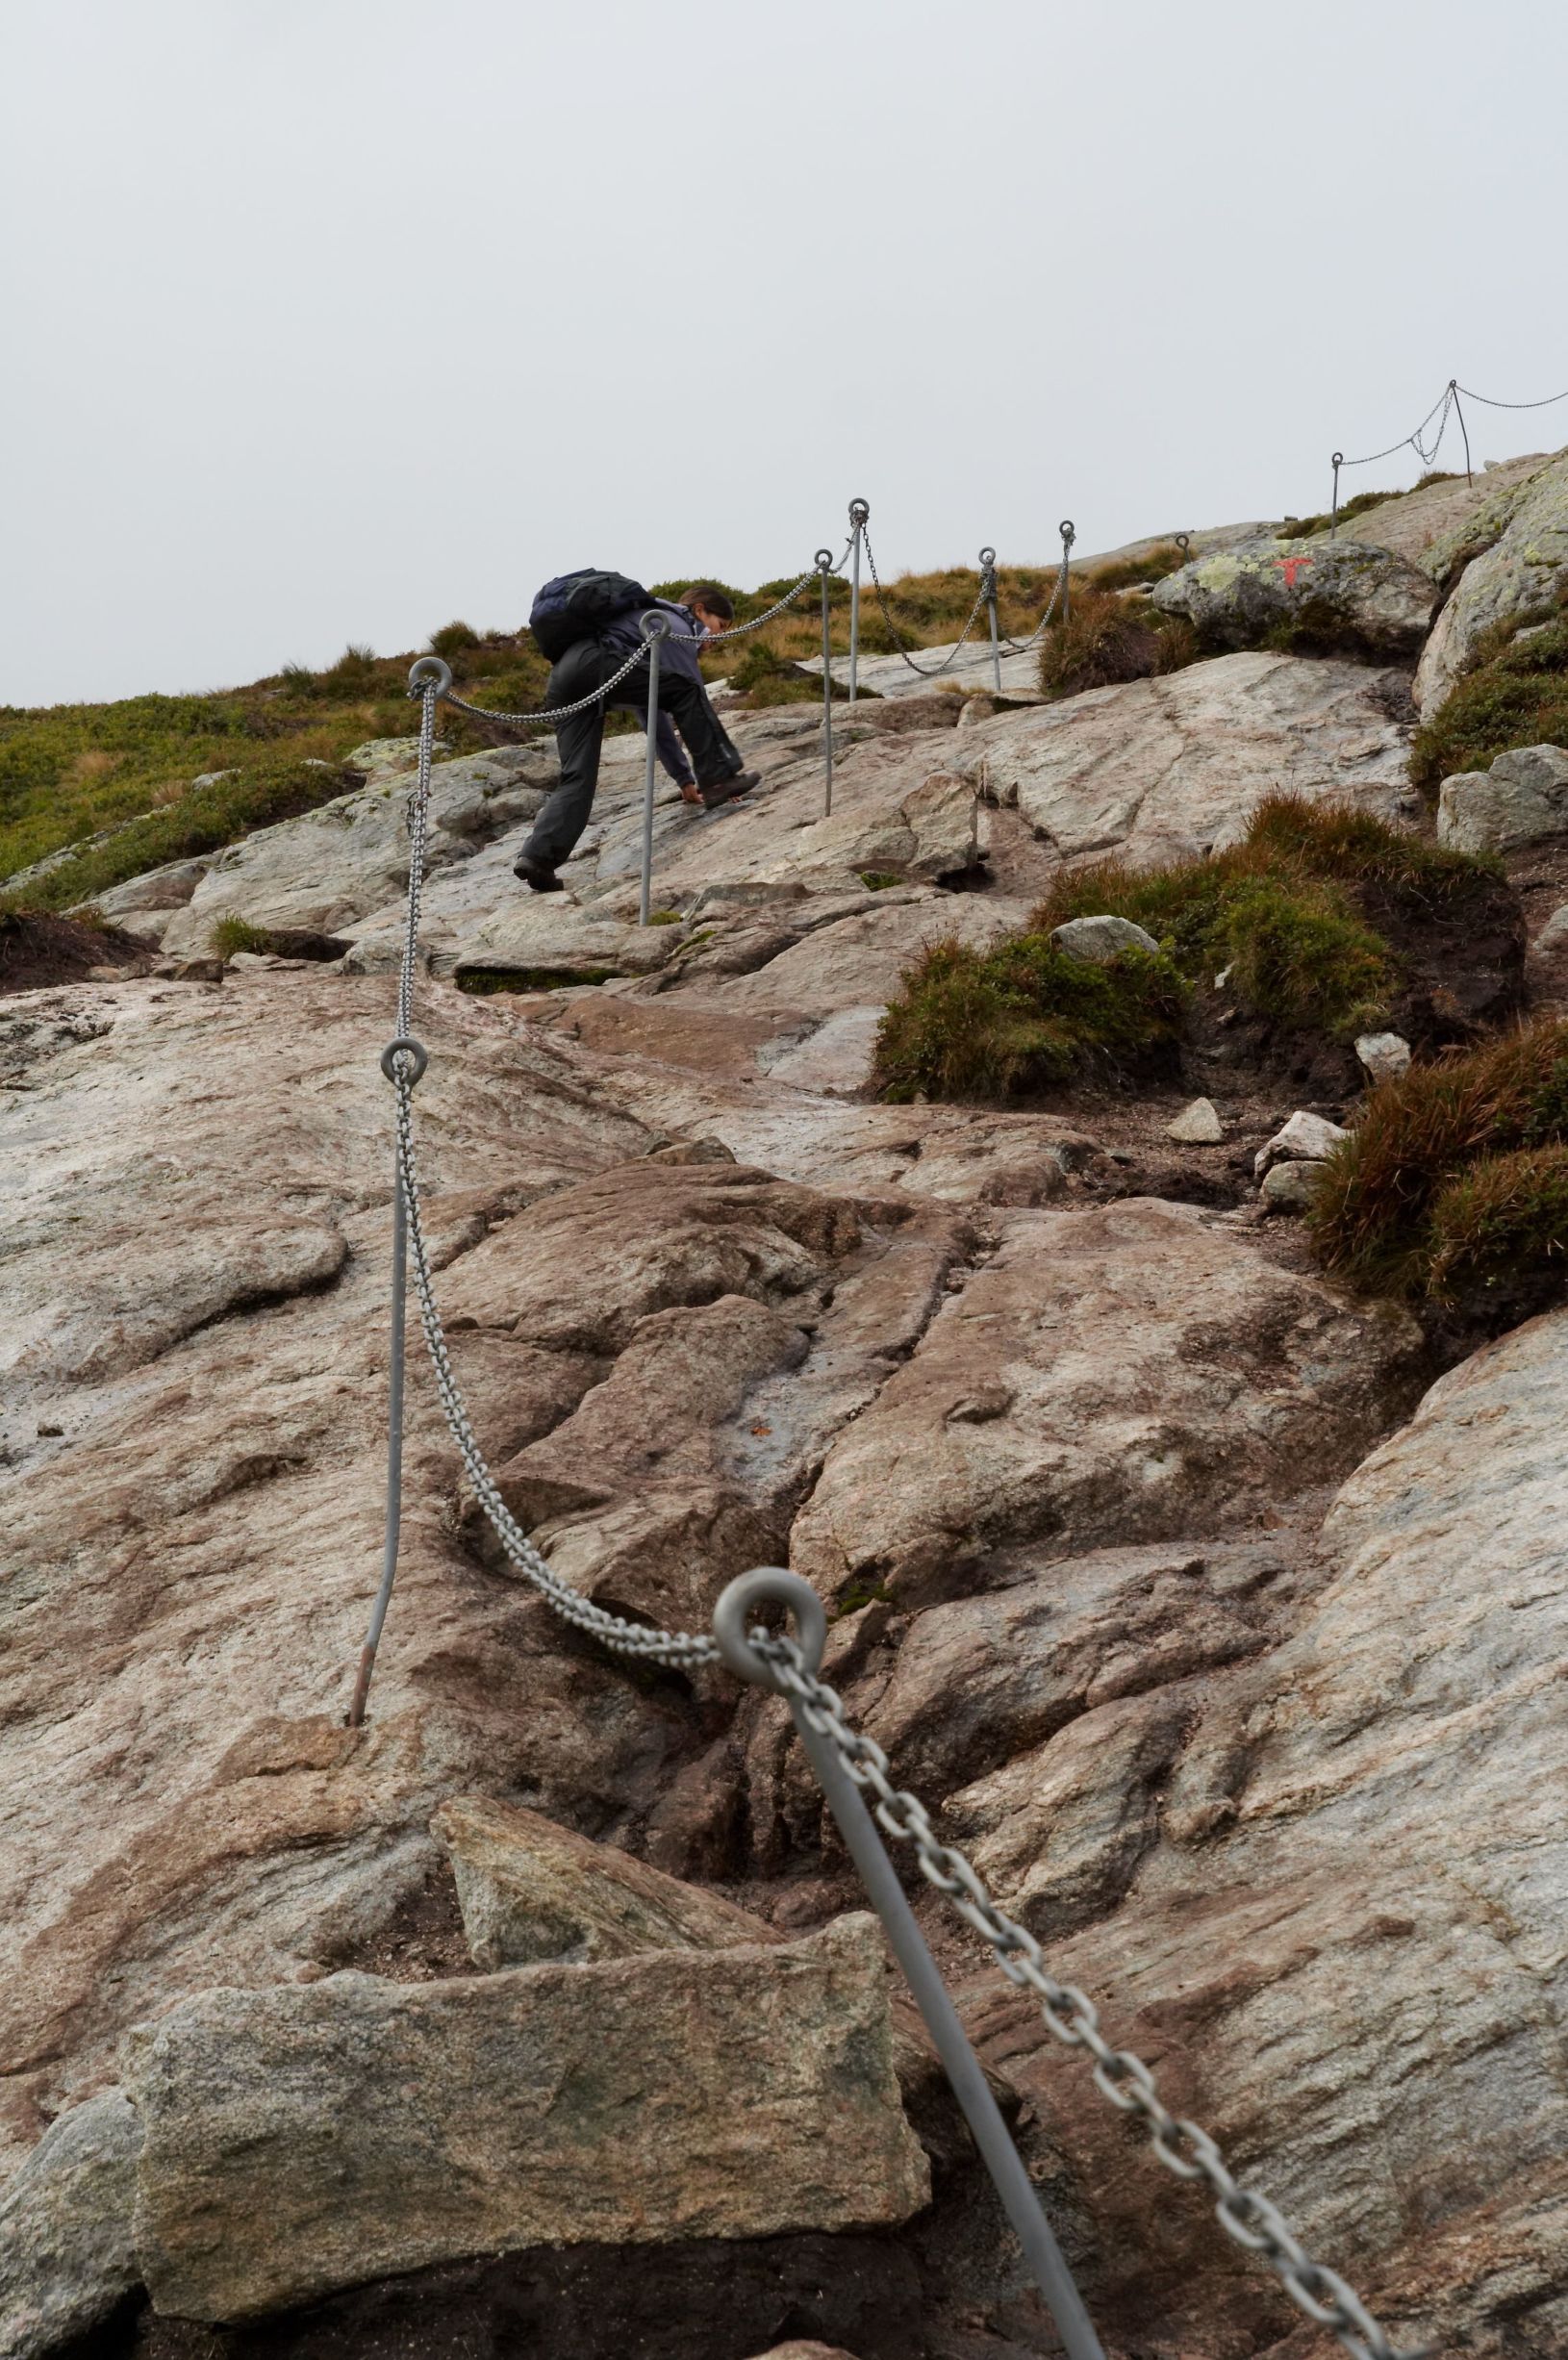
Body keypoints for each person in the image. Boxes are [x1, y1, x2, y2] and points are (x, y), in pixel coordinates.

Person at [514, 584, 760, 892]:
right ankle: (718, 778)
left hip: (565, 677)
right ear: (699, 611)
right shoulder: (676, 624)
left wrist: (684, 779)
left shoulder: (642, 616)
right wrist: (717, 777)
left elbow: (651, 710)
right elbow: (691, 691)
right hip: (597, 662)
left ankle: (537, 860)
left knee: (577, 776)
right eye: (719, 626)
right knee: (687, 690)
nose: (716, 638)